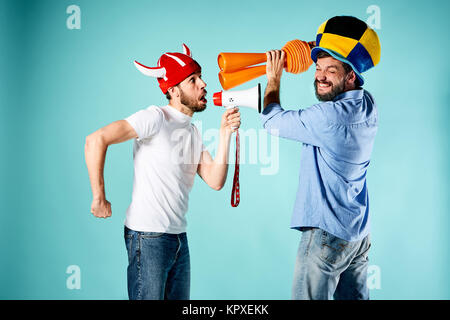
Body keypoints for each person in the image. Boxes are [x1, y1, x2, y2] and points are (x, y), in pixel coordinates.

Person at [84, 44, 241, 300]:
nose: (203, 84)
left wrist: (224, 134)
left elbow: (215, 180)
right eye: (193, 80)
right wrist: (98, 197)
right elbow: (95, 140)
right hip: (148, 238)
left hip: (179, 239)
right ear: (173, 90)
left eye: (200, 77)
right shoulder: (155, 117)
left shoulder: (191, 131)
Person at [261, 16, 380, 300]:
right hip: (357, 235)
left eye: (331, 70)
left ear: (351, 76)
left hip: (326, 236)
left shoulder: (327, 118)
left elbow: (271, 121)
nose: (320, 76)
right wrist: (320, 45)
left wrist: (274, 78)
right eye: (318, 68)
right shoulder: (367, 105)